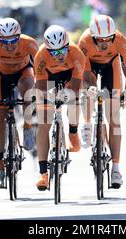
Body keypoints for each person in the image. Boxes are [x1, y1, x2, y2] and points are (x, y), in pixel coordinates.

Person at [0, 18, 38, 188]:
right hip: (1, 75)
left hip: (23, 71)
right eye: (5, 41)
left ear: (19, 36)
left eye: (13, 40)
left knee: (27, 88)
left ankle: (27, 128)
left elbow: (41, 66)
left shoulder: (29, 43)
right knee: (0, 119)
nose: (10, 45)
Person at [78, 15, 126, 188]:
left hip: (111, 66)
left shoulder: (121, 41)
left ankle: (116, 168)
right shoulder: (85, 41)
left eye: (108, 39)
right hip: (90, 66)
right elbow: (85, 75)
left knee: (114, 118)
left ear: (114, 36)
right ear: (93, 36)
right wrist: (91, 88)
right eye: (100, 40)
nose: (104, 43)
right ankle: (87, 124)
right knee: (87, 92)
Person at [34, 25, 85, 190]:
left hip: (70, 77)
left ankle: (73, 132)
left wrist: (66, 93)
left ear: (67, 45)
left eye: (62, 50)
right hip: (49, 78)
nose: (59, 55)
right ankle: (43, 174)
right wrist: (46, 96)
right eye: (54, 52)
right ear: (48, 50)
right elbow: (40, 85)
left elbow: (76, 86)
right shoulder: (41, 56)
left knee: (74, 100)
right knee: (43, 125)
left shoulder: (76, 54)